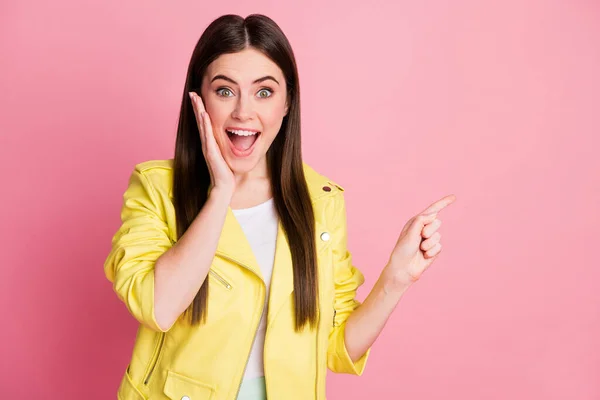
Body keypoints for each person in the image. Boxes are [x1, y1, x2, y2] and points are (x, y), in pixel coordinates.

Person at [104, 13, 455, 400]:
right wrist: (221, 190)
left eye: (264, 92)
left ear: (288, 104)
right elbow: (160, 306)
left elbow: (337, 347)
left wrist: (396, 279)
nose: (243, 112)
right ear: (198, 100)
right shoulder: (157, 188)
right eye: (224, 91)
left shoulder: (320, 201)